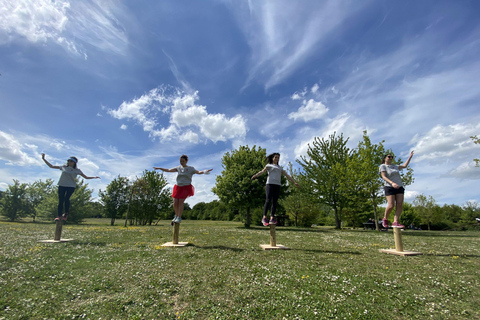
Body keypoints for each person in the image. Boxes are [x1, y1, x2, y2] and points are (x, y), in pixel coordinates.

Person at [154, 155, 212, 225]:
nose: (181, 162)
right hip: (178, 186)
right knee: (175, 202)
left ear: (186, 161)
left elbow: (199, 172)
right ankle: (176, 215)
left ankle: (179, 217)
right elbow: (169, 170)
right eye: (180, 161)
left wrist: (205, 171)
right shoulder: (178, 168)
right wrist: (160, 168)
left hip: (186, 187)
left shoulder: (191, 168)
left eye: (183, 161)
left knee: (180, 202)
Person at [42, 153, 100, 221]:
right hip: (62, 185)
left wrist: (94, 177)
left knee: (66, 199)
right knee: (61, 200)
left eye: (71, 161)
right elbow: (51, 166)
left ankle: (66, 214)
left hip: (71, 186)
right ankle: (59, 216)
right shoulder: (64, 167)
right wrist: (44, 159)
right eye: (68, 161)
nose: (69, 162)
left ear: (74, 163)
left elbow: (86, 177)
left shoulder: (77, 170)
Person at [251, 153, 299, 226]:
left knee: (275, 202)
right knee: (268, 200)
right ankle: (264, 217)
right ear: (273, 158)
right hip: (269, 184)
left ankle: (272, 217)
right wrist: (255, 175)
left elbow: (287, 175)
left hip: (277, 185)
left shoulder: (280, 168)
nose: (277, 158)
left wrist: (294, 182)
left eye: (278, 157)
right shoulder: (268, 165)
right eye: (276, 157)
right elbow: (262, 171)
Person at [379, 151, 414, 228]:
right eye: (389, 157)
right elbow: (384, 176)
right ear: (385, 158)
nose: (391, 158)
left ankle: (396, 221)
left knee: (400, 204)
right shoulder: (383, 166)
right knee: (391, 205)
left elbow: (404, 166)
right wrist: (392, 183)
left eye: (392, 157)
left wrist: (410, 157)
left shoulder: (395, 166)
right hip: (389, 186)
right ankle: (385, 219)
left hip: (399, 186)